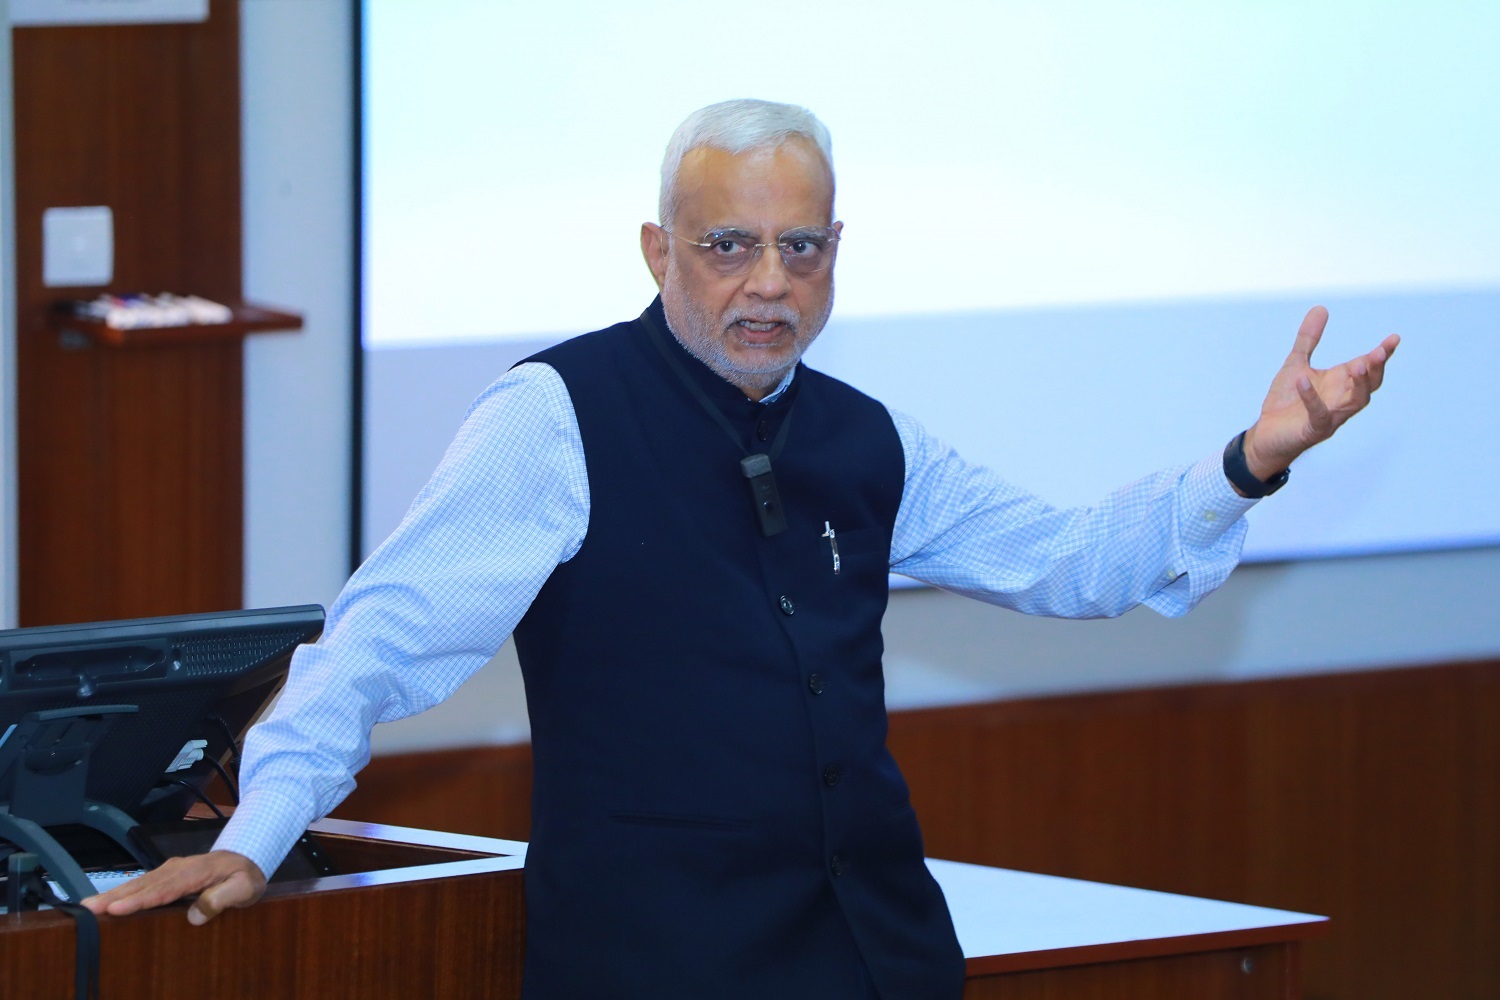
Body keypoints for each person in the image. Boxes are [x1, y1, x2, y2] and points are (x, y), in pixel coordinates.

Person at [85, 99, 1397, 998]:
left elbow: (1076, 562)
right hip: (656, 967)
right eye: (728, 246)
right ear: (660, 250)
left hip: (871, 956)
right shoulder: (556, 421)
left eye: (799, 247)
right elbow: (379, 639)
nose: (767, 280)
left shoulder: (873, 438)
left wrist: (1252, 458)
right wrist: (261, 832)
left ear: (836, 258)